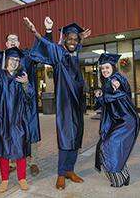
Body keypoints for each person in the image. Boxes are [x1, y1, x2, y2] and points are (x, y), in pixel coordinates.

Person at [0, 14, 54, 176]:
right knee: (10, 130)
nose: (13, 41)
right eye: (10, 39)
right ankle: (12, 161)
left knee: (31, 130)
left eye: (16, 39)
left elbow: (43, 48)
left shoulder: (27, 56)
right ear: (6, 44)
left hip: (27, 101)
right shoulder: (1, 58)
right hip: (8, 104)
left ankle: (33, 161)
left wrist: (47, 31)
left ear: (19, 43)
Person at [23, 17, 91, 190]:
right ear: (65, 39)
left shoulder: (75, 54)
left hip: (77, 105)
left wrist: (81, 39)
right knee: (65, 138)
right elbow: (46, 45)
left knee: (76, 138)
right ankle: (61, 173)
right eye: (70, 39)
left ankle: (70, 170)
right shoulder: (59, 55)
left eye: (76, 39)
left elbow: (76, 49)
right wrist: (36, 31)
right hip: (64, 105)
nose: (73, 42)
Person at [0, 47, 33, 192]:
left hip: (19, 118)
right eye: (12, 59)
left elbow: (30, 96)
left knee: (21, 150)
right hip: (3, 118)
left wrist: (26, 83)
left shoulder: (22, 76)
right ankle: (5, 180)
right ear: (7, 60)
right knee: (4, 150)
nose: (14, 62)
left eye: (17, 60)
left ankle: (22, 178)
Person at [94, 53, 140, 188]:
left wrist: (116, 83)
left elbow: (119, 85)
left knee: (107, 146)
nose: (105, 71)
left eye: (107, 68)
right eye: (103, 69)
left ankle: (118, 180)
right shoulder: (106, 83)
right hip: (117, 121)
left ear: (113, 68)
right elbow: (103, 101)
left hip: (126, 121)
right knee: (109, 147)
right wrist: (99, 94)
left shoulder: (116, 78)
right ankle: (124, 176)